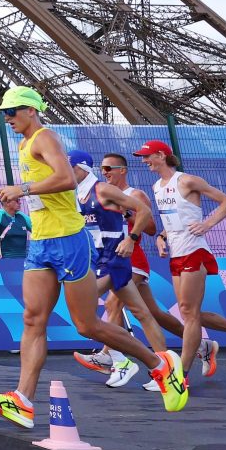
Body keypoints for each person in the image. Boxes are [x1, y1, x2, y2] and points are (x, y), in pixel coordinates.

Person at [0, 88, 188, 429]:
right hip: (42, 241)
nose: (8, 118)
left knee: (87, 324)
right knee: (32, 319)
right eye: (4, 113)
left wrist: (23, 189)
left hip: (68, 241)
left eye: (12, 111)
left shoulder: (44, 137)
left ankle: (160, 364)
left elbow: (63, 179)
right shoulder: (24, 143)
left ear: (31, 110)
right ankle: (23, 401)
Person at [75, 153, 226, 385]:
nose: (104, 172)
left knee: (112, 303)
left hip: (131, 258)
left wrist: (130, 224)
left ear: (122, 170)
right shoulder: (88, 194)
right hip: (107, 257)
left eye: (108, 168)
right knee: (151, 314)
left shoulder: (134, 194)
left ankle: (110, 356)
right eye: (102, 169)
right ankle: (198, 347)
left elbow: (151, 227)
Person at [138, 139, 226, 373]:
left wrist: (208, 223)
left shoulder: (187, 180)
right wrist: (161, 236)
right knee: (191, 313)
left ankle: (182, 373)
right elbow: (175, 219)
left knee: (188, 314)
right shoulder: (157, 186)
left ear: (161, 155)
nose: (145, 161)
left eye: (147, 156)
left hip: (194, 250)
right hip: (176, 252)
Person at [67, 151, 169, 388]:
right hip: (99, 260)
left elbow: (145, 213)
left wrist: (131, 239)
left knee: (85, 312)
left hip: (114, 259)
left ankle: (119, 359)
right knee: (143, 313)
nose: (106, 173)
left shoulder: (103, 190)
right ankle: (167, 368)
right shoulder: (77, 195)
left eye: (69, 166)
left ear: (82, 167)